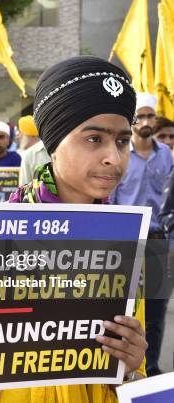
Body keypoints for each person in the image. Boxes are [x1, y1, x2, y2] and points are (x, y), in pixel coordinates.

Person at [1, 56, 148, 402]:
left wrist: (133, 364)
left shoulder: (125, 239)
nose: (114, 157)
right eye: (94, 139)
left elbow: (131, 375)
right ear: (53, 143)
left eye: (123, 140)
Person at [110, 92, 172, 376]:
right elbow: (111, 200)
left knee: (157, 313)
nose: (146, 121)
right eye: (141, 116)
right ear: (132, 120)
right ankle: (127, 370)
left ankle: (153, 368)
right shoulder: (120, 154)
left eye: (150, 116)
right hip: (129, 245)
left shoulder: (167, 154)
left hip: (159, 245)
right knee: (127, 310)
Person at [19, 116, 51, 185]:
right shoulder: (26, 155)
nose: (18, 136)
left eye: (20, 132)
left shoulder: (28, 155)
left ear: (29, 134)